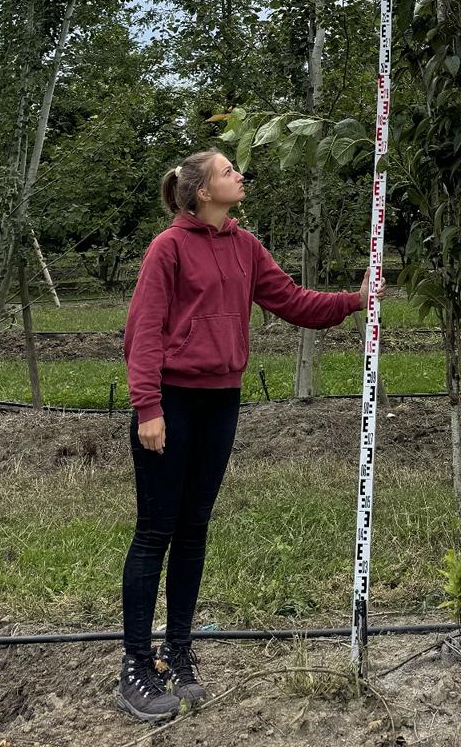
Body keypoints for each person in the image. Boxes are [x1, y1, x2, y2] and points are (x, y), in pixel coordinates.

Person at [117, 149, 382, 721]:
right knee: (156, 529)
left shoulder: (245, 246)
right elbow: (143, 331)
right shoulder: (168, 248)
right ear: (201, 192)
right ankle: (135, 665)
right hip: (172, 400)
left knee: (193, 529)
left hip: (221, 401)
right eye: (228, 171)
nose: (239, 176)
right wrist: (147, 408)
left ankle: (179, 651)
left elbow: (292, 301)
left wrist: (356, 300)